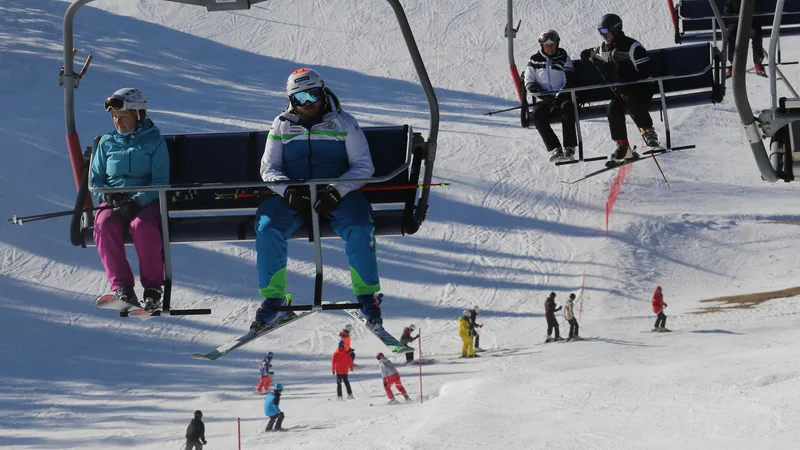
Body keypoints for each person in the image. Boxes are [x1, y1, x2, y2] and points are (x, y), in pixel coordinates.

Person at [252, 68, 382, 332]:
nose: (308, 104)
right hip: (295, 196)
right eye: (300, 98)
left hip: (338, 195)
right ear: (291, 99)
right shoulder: (281, 125)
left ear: (322, 92)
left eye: (312, 95)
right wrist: (287, 190)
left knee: (359, 226)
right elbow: (269, 168)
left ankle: (367, 296)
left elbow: (363, 166)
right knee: (268, 228)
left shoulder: (344, 123)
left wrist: (337, 189)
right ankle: (274, 299)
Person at [90, 88, 170, 311]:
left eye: (123, 116)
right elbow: (95, 180)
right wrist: (110, 196)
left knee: (142, 226)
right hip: (115, 201)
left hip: (146, 202)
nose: (118, 121)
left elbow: (160, 181)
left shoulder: (154, 142)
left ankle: (153, 289)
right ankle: (122, 289)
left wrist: (137, 201)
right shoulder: (106, 143)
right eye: (114, 117)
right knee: (103, 224)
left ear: (138, 114)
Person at [580, 14, 660, 162]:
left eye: (605, 31)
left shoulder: (632, 46)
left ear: (615, 30)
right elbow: (594, 53)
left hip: (641, 89)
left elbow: (646, 71)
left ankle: (649, 134)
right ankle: (623, 147)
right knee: (612, 109)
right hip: (622, 91)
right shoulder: (604, 47)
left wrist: (628, 77)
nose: (602, 35)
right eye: (600, 32)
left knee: (631, 100)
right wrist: (587, 54)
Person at [523, 29, 578, 162]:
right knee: (537, 114)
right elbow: (529, 82)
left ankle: (569, 147)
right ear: (542, 46)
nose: (549, 48)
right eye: (547, 45)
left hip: (563, 97)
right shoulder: (534, 60)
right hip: (545, 98)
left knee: (568, 108)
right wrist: (545, 96)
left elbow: (570, 80)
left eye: (552, 45)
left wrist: (559, 97)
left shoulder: (564, 59)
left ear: (557, 44)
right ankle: (555, 148)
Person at [725, 0, 765, 78]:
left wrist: (748, 16)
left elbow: (758, 9)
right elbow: (727, 12)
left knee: (756, 32)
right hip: (736, 23)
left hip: (751, 22)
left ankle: (758, 63)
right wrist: (737, 17)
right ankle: (733, 62)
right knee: (731, 32)